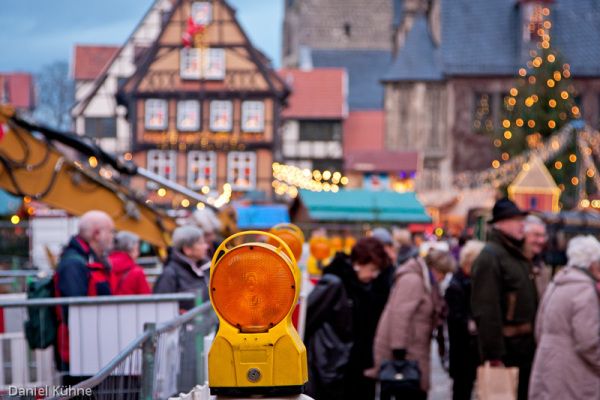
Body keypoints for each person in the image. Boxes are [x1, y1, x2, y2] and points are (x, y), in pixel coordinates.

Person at [304, 237, 390, 400]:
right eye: (372, 269)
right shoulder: (334, 284)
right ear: (358, 263)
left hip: (353, 370)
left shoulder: (362, 286)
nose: (374, 275)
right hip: (334, 371)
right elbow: (306, 321)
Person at [470, 198, 537, 400]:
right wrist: (493, 355)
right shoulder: (490, 257)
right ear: (501, 224)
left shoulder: (515, 254)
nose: (522, 225)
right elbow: (486, 309)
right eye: (516, 220)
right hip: (508, 351)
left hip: (523, 349)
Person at [368, 249, 455, 400]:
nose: (443, 278)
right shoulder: (413, 280)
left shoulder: (423, 280)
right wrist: (398, 348)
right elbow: (400, 314)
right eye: (443, 273)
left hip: (414, 348)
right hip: (407, 351)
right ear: (435, 269)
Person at [528, 235, 600, 399]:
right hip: (572, 371)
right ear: (592, 263)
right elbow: (587, 340)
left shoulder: (558, 282)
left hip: (547, 365)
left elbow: (539, 326)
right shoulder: (583, 289)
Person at [55, 210, 115, 376]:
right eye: (111, 231)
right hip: (78, 351)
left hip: (89, 348)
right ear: (97, 234)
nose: (112, 236)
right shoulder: (75, 264)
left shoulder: (86, 260)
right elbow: (74, 310)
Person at [445, 240, 485, 400]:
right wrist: (470, 324)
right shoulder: (457, 285)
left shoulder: (474, 283)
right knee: (462, 389)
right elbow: (455, 318)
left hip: (471, 349)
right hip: (463, 349)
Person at [153, 225, 210, 311]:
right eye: (201, 243)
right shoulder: (170, 275)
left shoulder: (205, 268)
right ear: (187, 249)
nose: (206, 247)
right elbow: (161, 310)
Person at [108, 231, 151, 295]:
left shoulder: (104, 266)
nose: (138, 253)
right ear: (130, 249)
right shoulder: (137, 272)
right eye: (137, 249)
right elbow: (147, 299)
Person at [371, 227, 398, 319]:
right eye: (383, 246)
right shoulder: (371, 266)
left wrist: (393, 262)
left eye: (388, 246)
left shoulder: (391, 265)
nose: (386, 250)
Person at [523, 215, 551, 299]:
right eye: (536, 235)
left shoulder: (542, 268)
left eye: (543, 236)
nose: (541, 240)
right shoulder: (512, 263)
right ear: (523, 234)